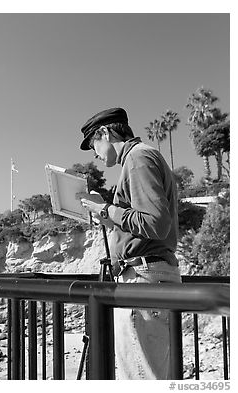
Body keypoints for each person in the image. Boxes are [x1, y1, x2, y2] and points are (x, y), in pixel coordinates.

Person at [76, 107, 181, 380]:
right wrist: (108, 215)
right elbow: (145, 225)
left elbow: (156, 223)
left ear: (105, 132)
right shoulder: (141, 157)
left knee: (140, 378)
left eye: (93, 146)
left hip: (144, 278)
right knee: (151, 374)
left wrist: (108, 211)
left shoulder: (137, 158)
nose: (96, 156)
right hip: (151, 275)